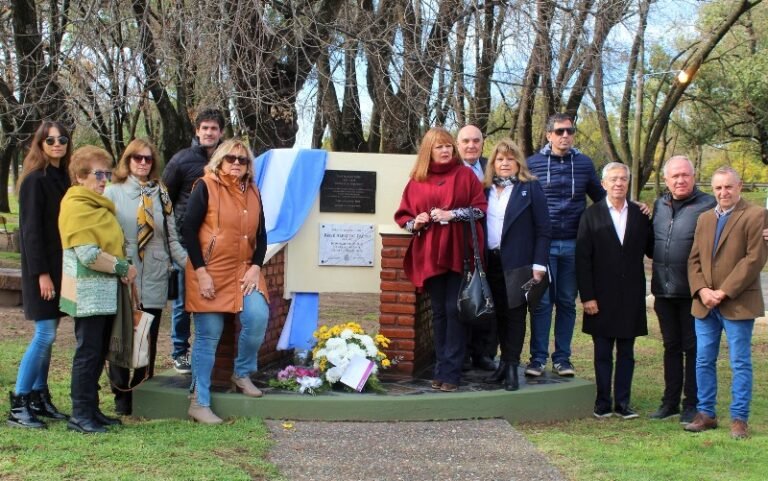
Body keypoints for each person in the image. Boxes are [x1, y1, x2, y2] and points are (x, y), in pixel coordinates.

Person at [183, 139, 270, 424]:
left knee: (258, 316)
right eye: (230, 158)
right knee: (208, 335)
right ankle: (199, 402)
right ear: (219, 160)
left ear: (248, 166)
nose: (236, 163)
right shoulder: (205, 187)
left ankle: (242, 372)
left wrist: (256, 266)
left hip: (244, 272)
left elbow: (262, 235)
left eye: (242, 160)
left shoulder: (254, 191)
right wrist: (201, 272)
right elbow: (188, 230)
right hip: (209, 271)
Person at [394, 127, 487, 393]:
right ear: (428, 151)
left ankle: (451, 371)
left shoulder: (465, 175)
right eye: (439, 147)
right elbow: (403, 217)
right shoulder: (417, 180)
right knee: (439, 312)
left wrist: (452, 214)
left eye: (449, 146)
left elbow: (479, 210)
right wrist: (417, 221)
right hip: (430, 254)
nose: (446, 150)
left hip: (460, 252)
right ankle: (440, 368)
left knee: (454, 310)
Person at [104, 139, 188, 415]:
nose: (142, 163)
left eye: (148, 159)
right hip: (123, 272)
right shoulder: (113, 192)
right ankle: (120, 394)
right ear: (127, 160)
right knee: (121, 336)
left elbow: (172, 239)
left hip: (154, 273)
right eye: (137, 158)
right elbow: (105, 236)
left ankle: (141, 392)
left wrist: (193, 266)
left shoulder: (160, 193)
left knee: (146, 337)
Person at [59, 146, 138, 433]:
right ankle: (80, 415)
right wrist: (122, 267)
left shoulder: (97, 204)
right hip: (87, 294)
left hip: (103, 293)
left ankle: (92, 410)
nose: (104, 179)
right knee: (88, 353)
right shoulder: (77, 205)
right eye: (98, 174)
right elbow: (88, 255)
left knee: (97, 352)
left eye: (107, 173)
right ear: (80, 176)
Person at [685, 166, 768, 439]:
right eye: (718, 188)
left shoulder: (755, 215)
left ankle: (739, 419)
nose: (723, 192)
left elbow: (754, 259)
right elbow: (694, 259)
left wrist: (723, 292)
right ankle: (706, 413)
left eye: (728, 187)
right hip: (705, 304)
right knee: (703, 360)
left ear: (739, 186)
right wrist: (702, 290)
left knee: (740, 362)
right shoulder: (705, 218)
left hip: (737, 302)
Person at [526, 113, 605, 378]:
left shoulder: (583, 164)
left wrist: (633, 205)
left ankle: (562, 359)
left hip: (573, 244)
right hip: (542, 247)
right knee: (542, 303)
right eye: (559, 131)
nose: (565, 136)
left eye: (569, 131)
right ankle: (537, 359)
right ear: (549, 135)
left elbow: (602, 199)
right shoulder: (533, 164)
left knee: (567, 303)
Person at [8, 122, 72, 429]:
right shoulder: (34, 180)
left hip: (62, 270)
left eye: (62, 139)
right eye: (50, 140)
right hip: (42, 272)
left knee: (50, 336)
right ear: (40, 144)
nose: (57, 143)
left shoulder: (64, 177)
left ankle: (38, 395)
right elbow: (30, 232)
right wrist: (42, 275)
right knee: (44, 334)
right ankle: (19, 403)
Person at [576, 162, 651, 419]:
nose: (619, 183)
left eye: (623, 179)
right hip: (600, 295)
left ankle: (623, 403)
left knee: (627, 353)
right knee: (603, 352)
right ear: (604, 184)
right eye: (614, 179)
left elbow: (651, 248)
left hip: (630, 295)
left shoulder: (641, 215)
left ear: (628, 183)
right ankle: (602, 402)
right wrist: (587, 296)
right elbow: (582, 259)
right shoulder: (591, 215)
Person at [648, 156, 715, 424]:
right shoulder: (659, 205)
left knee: (693, 348)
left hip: (693, 292)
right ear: (666, 180)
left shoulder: (708, 204)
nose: (680, 180)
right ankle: (670, 402)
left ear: (693, 176)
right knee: (671, 347)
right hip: (664, 291)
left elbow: (735, 222)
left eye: (685, 175)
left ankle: (692, 404)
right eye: (675, 176)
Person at [482, 139, 550, 391]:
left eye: (510, 159)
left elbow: (543, 229)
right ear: (493, 163)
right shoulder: (485, 190)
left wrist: (539, 264)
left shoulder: (530, 188)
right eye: (500, 159)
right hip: (492, 262)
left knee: (515, 315)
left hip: (520, 264)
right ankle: (501, 364)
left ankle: (511, 365)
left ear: (518, 162)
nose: (505, 163)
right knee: (498, 314)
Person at [162, 108, 226, 374]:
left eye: (214, 128)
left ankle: (212, 350)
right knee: (184, 300)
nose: (209, 133)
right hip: (186, 241)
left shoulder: (229, 158)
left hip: (218, 242)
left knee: (214, 295)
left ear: (221, 132)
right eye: (205, 128)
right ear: (197, 131)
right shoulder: (181, 160)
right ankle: (179, 350)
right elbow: (165, 198)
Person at [456, 124, 495, 371]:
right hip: (461, 244)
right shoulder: (450, 170)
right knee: (463, 298)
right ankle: (462, 354)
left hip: (492, 243)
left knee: (488, 298)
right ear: (458, 144)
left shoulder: (494, 167)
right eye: (466, 141)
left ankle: (485, 353)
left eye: (476, 141)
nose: (471, 145)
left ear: (482, 143)